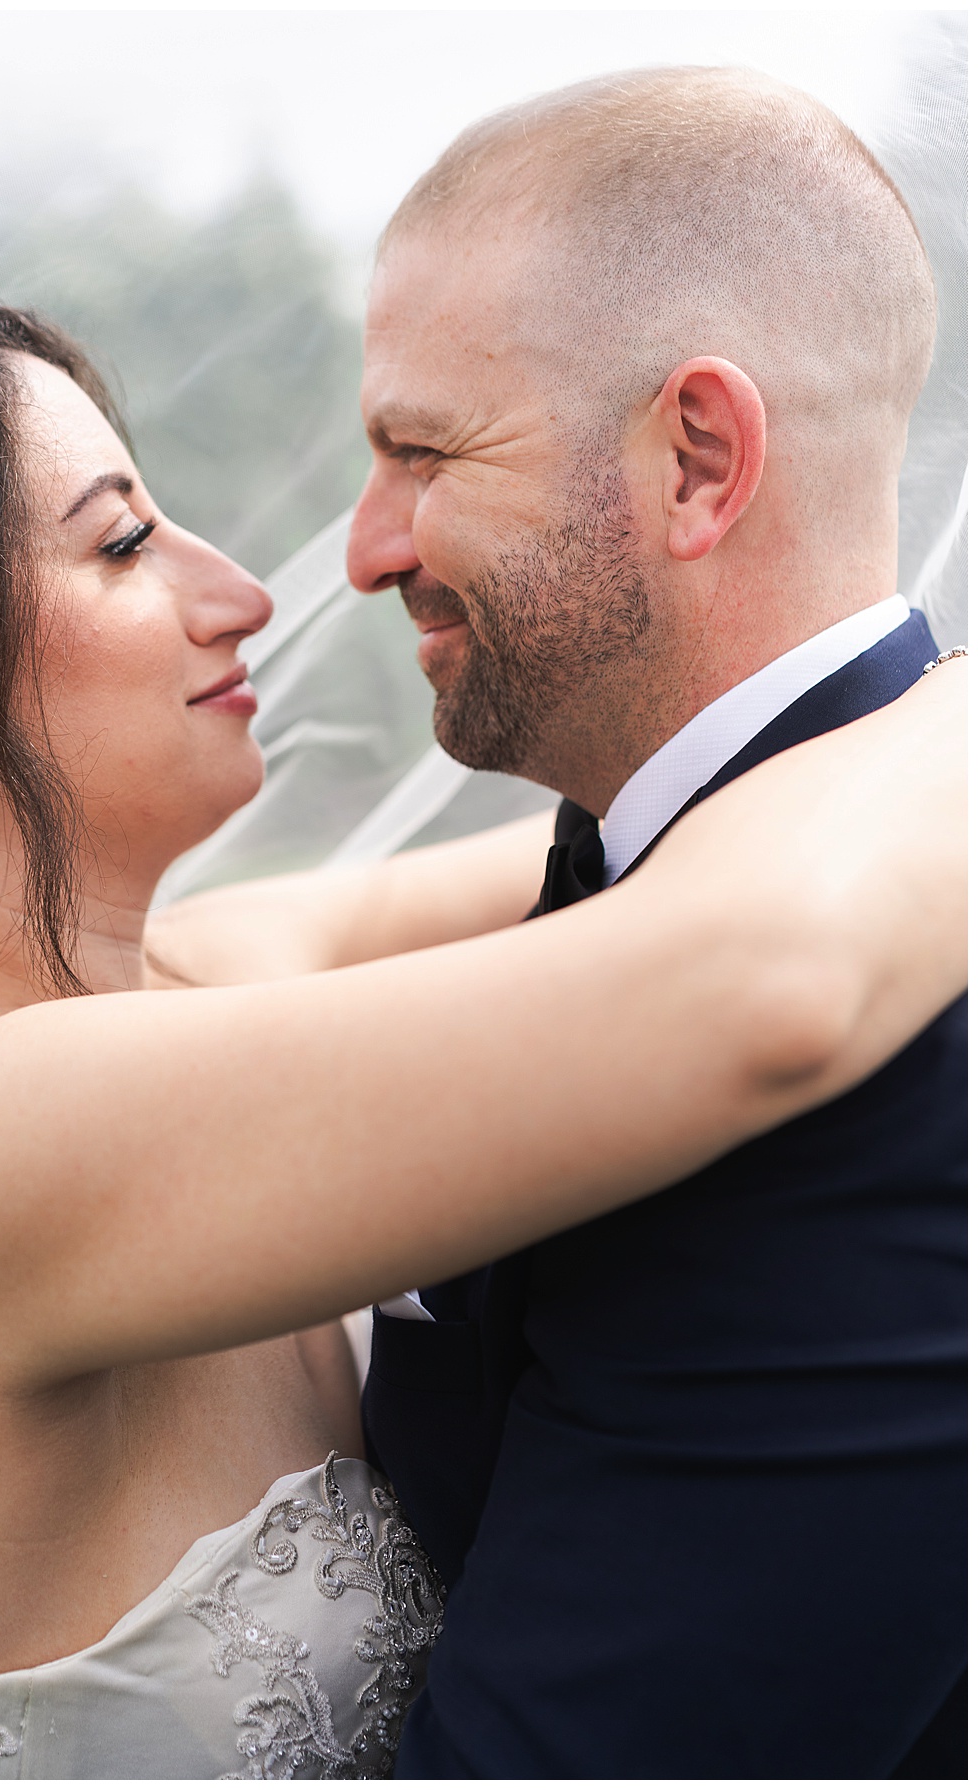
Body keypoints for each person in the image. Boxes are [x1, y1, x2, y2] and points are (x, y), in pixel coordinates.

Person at [0, 293, 963, 1782]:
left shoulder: (194, 980)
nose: (244, 595)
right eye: (124, 545)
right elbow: (760, 971)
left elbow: (675, 833)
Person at [323, 67, 966, 1778]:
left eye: (422, 451)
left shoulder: (882, 1096)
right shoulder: (641, 854)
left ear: (698, 458)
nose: (363, 552)